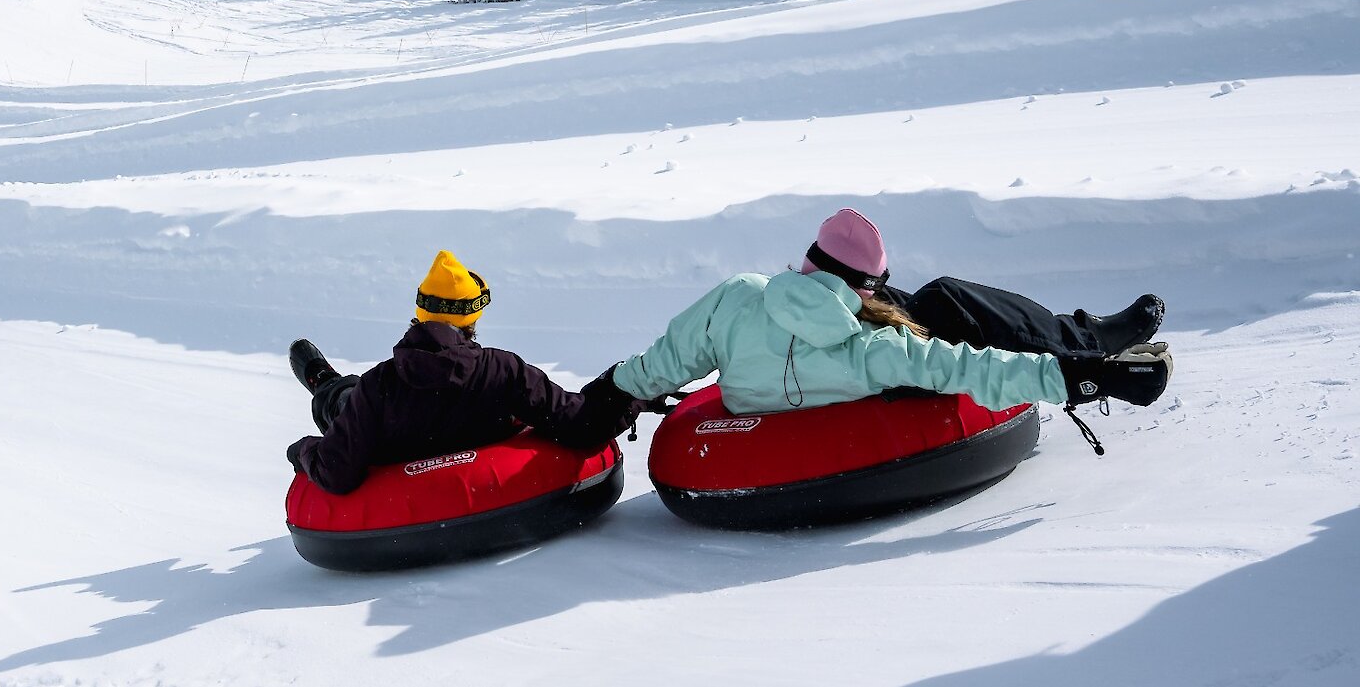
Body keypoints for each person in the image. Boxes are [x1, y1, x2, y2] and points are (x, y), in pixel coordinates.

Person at [588, 208, 1173, 434]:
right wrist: (1088, 378)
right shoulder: (872, 350)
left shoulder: (735, 299)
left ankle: (1079, 337)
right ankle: (1084, 339)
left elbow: (662, 363)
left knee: (930, 303)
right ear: (865, 288)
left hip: (773, 368)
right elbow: (974, 370)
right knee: (947, 301)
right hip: (873, 377)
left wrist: (604, 395)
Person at [286, 251, 638, 495]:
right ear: (471, 320)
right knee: (351, 399)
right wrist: (629, 391)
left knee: (345, 401)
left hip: (376, 406)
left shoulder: (380, 385)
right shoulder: (503, 371)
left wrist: (303, 449)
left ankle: (326, 384)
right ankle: (328, 384)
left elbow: (335, 471)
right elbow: (579, 423)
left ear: (421, 314)